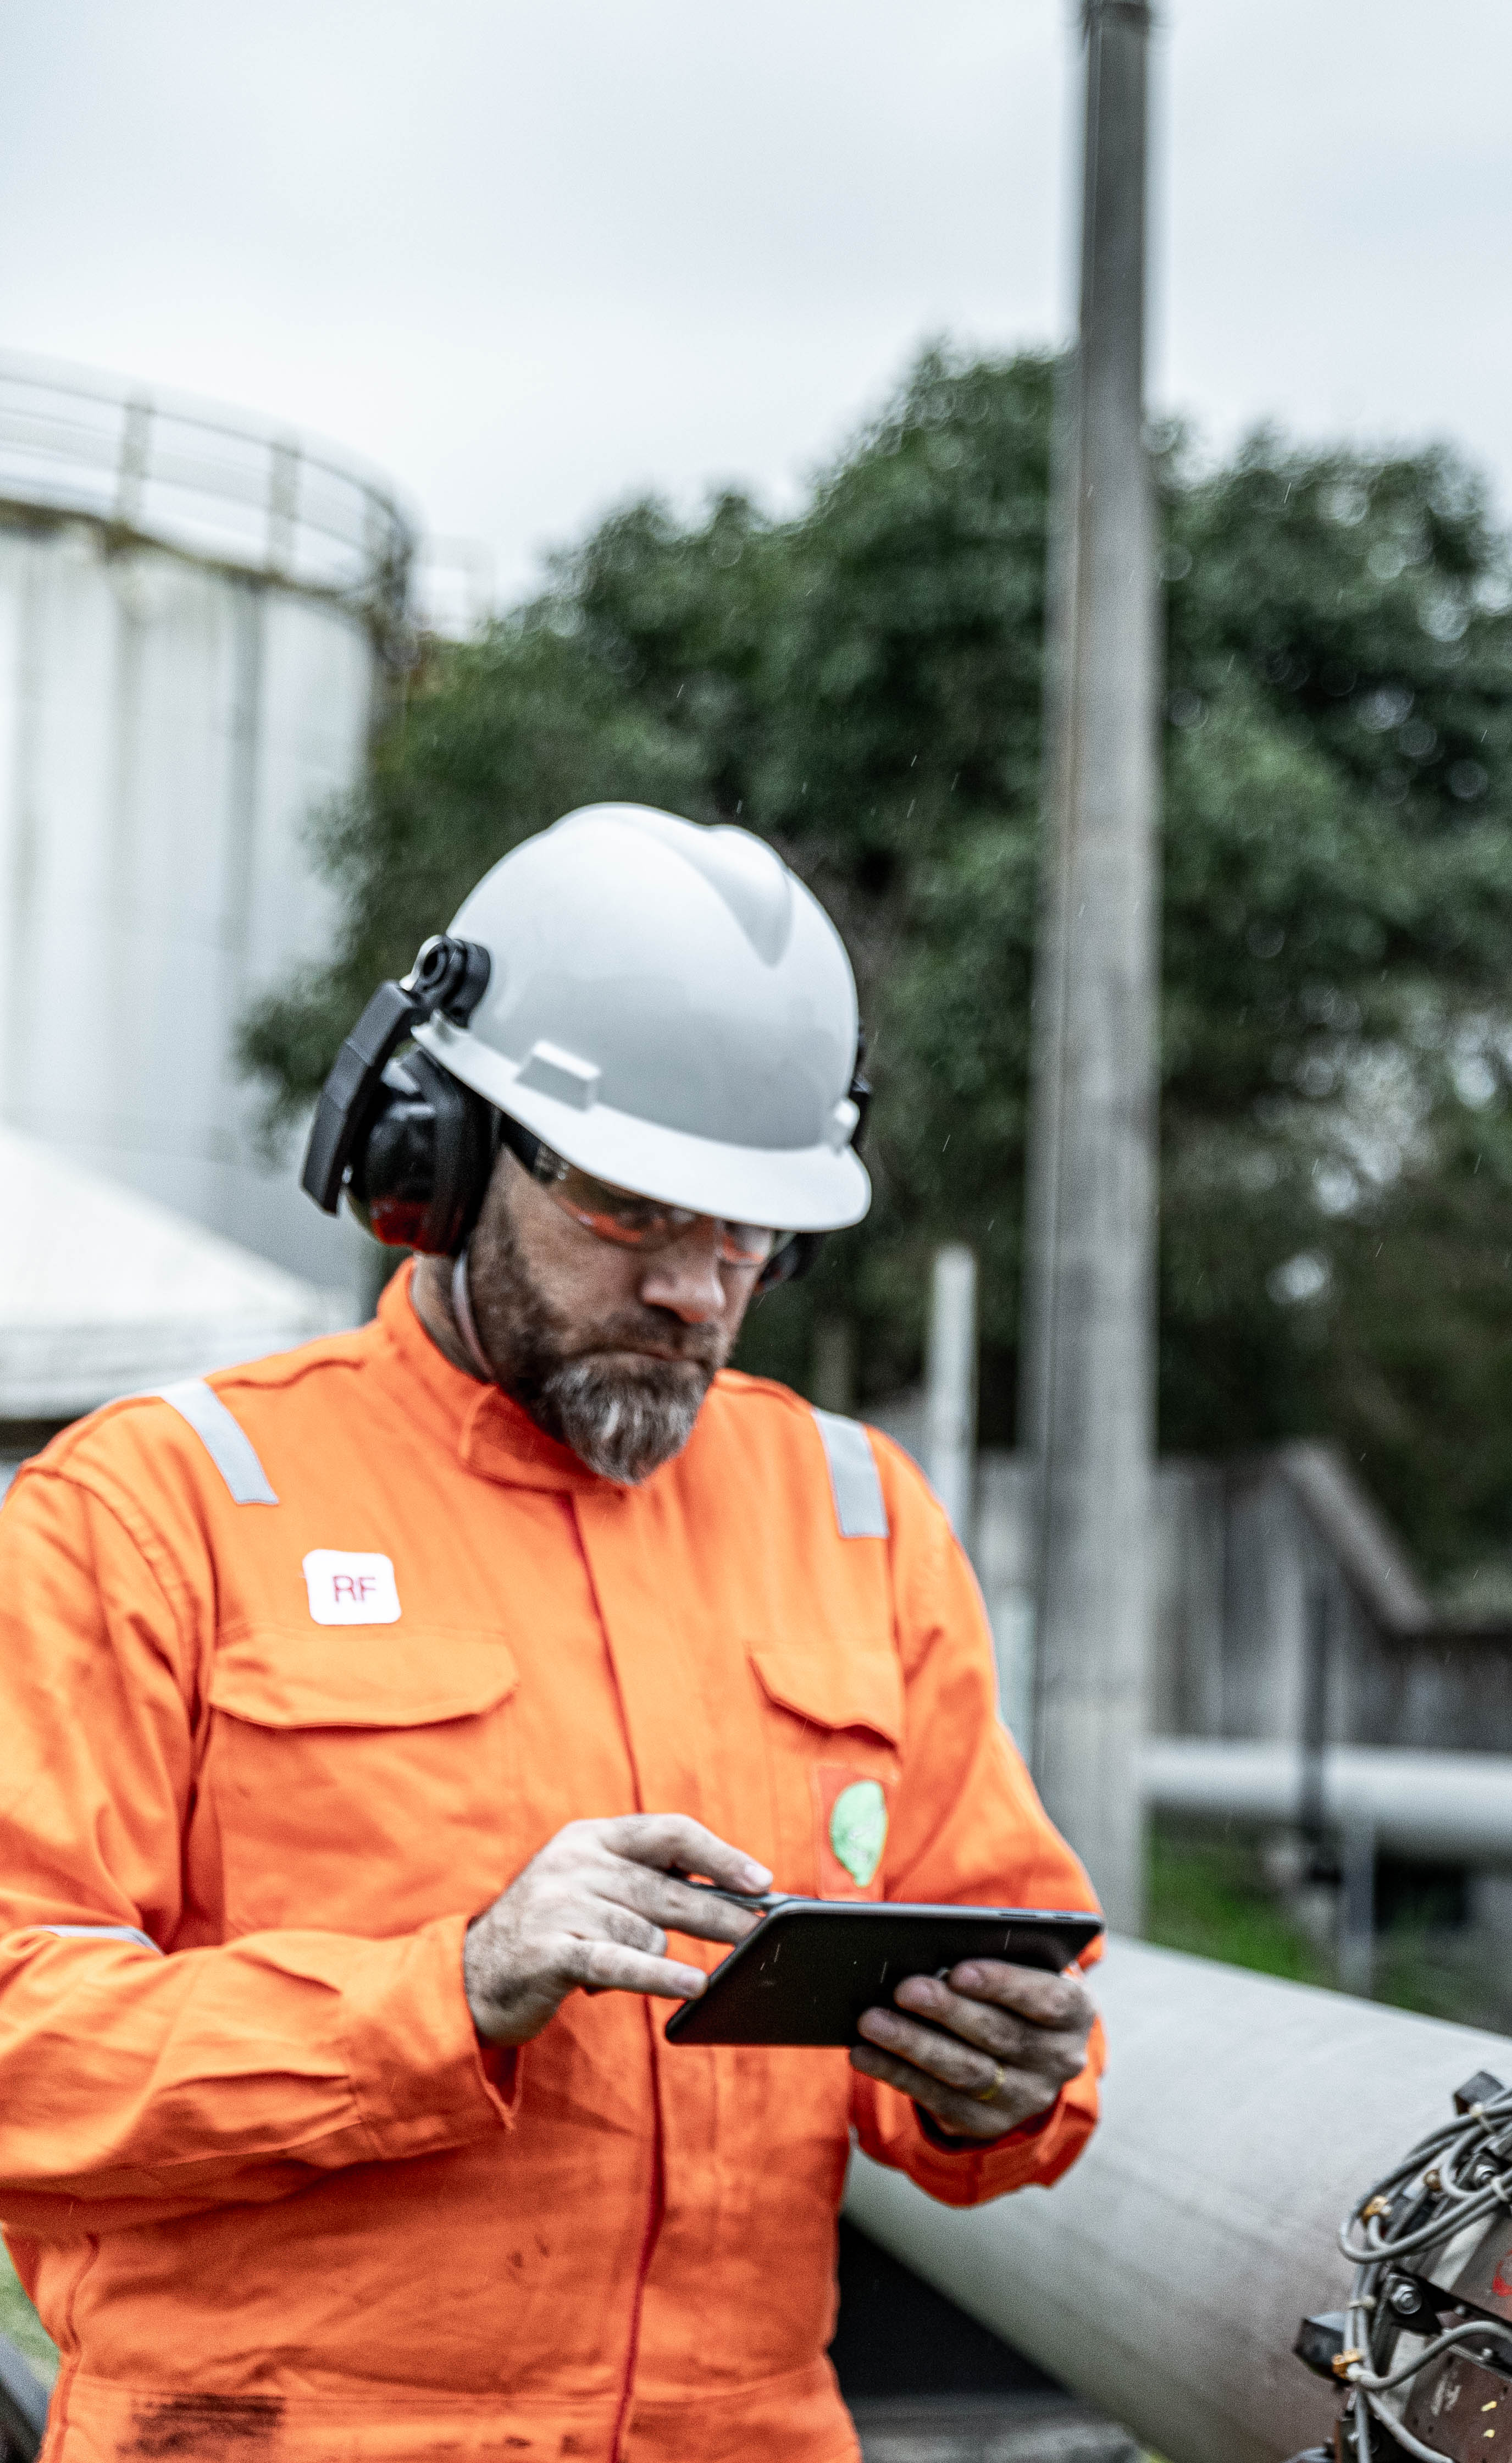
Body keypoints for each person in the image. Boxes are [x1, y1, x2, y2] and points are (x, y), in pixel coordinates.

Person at [0, 805, 1103, 2460]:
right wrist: (441, 1994)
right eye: (631, 1210)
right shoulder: (158, 1512)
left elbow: (1003, 1976)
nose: (696, 1293)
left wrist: (999, 2087)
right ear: (433, 1157)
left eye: (747, 1234)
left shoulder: (858, 1517)